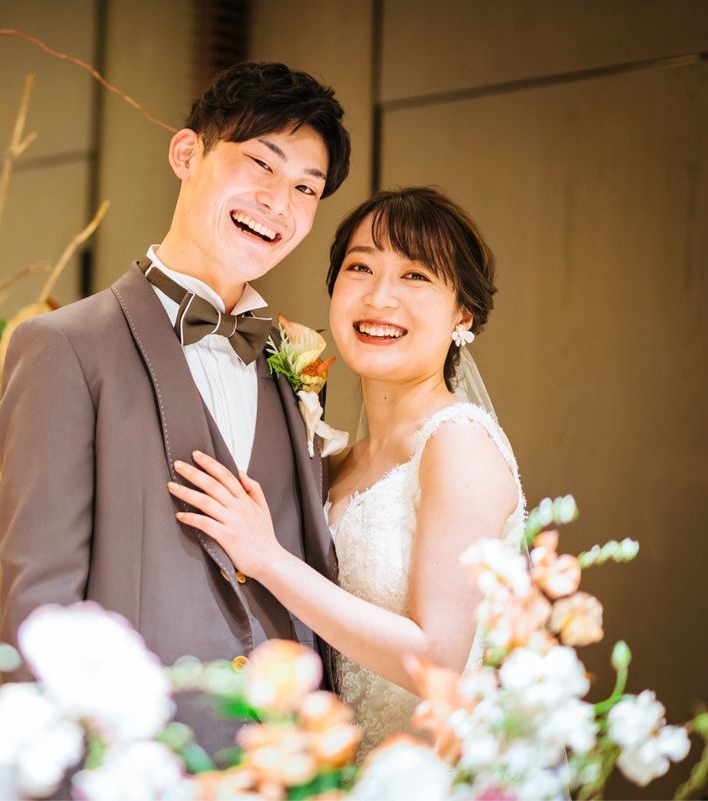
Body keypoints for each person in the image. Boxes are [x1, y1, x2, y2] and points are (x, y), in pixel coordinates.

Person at [0, 62, 351, 756]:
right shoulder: (64, 347)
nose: (278, 202)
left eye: (305, 188)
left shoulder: (298, 361)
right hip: (137, 762)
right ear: (187, 154)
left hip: (285, 763)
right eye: (261, 164)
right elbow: (40, 606)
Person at [168, 187, 524, 756]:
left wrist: (266, 558)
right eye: (360, 268)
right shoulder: (338, 461)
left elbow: (437, 658)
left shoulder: (458, 443)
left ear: (463, 312)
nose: (380, 297)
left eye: (415, 276)